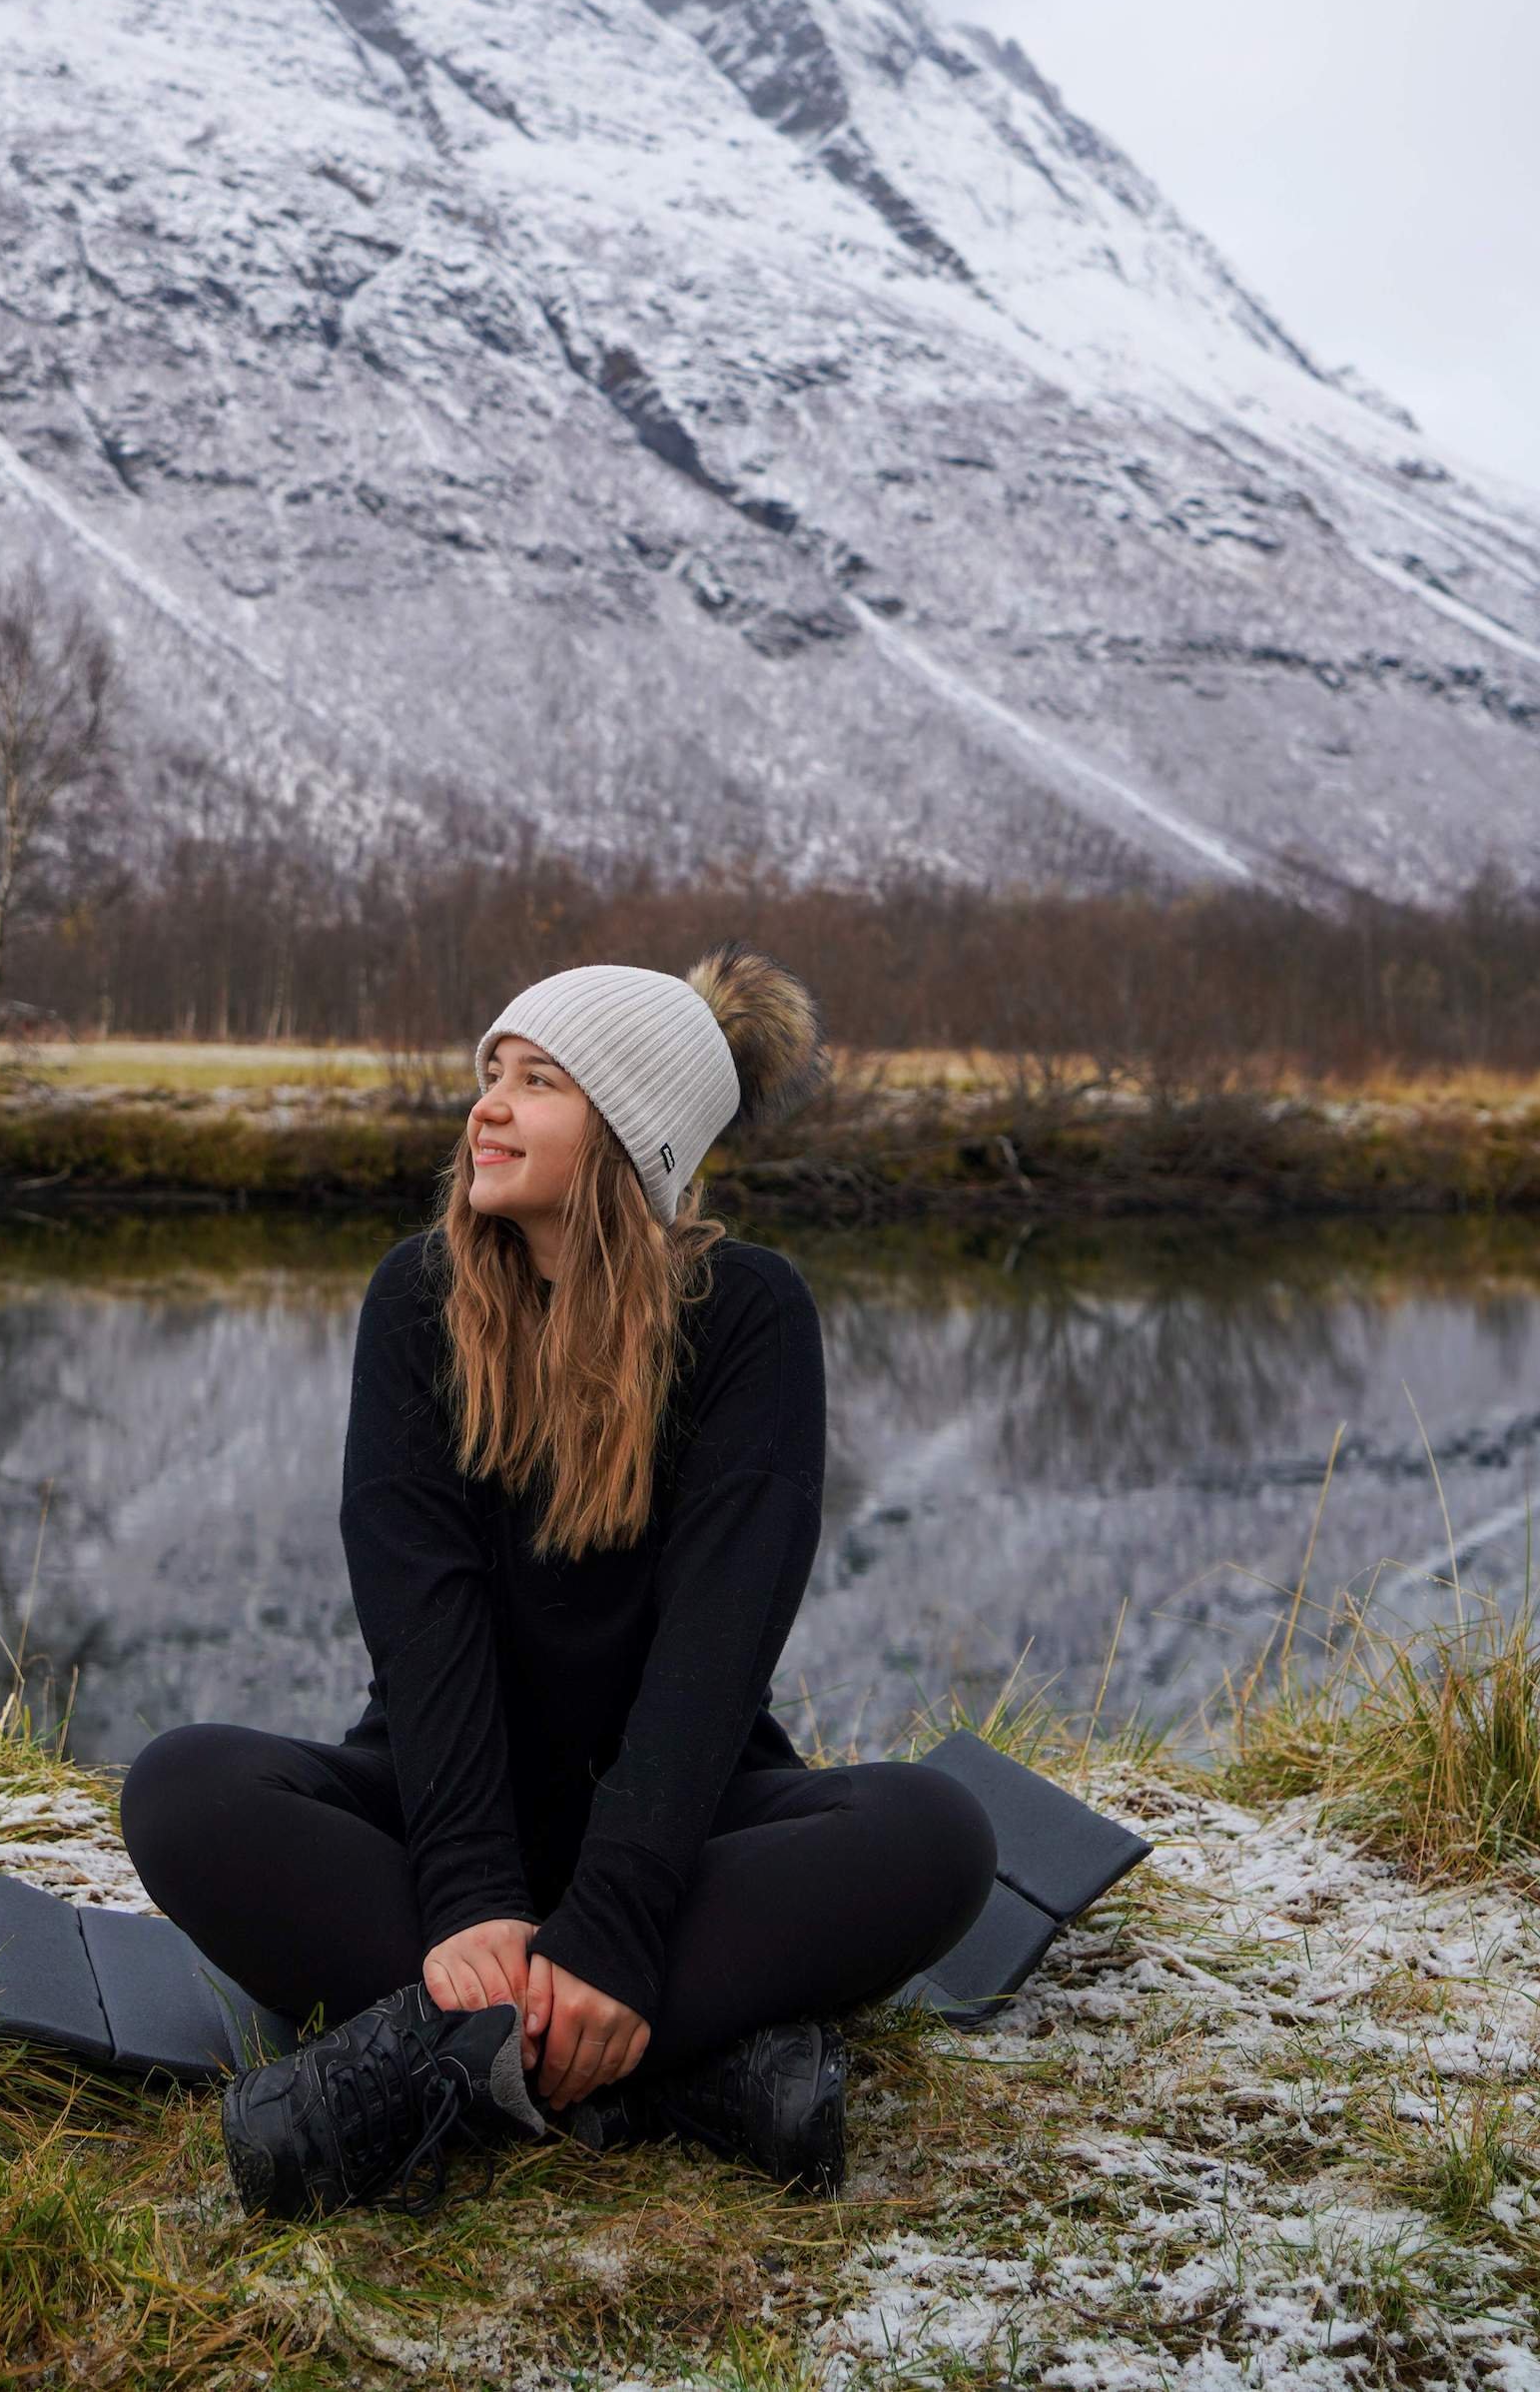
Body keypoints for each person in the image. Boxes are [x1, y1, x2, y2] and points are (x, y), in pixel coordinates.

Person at [120, 947, 997, 2216]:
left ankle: (454, 2057)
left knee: (936, 1837)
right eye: (490, 1072)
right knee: (184, 1790)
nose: (485, 1103)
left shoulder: (745, 1314)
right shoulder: (416, 1300)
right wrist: (475, 1893)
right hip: (444, 1808)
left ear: (631, 1130)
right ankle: (685, 2071)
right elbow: (422, 1622)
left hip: (678, 1821)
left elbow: (719, 1643)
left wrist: (617, 1916)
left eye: (537, 1081)